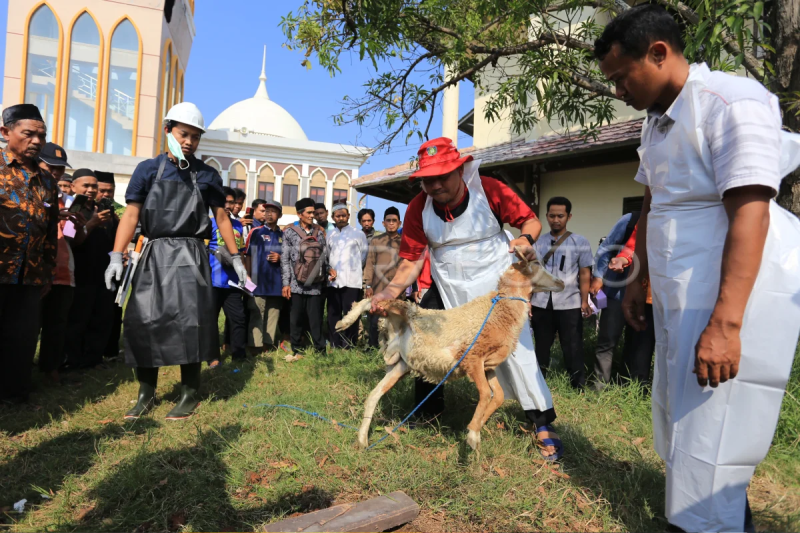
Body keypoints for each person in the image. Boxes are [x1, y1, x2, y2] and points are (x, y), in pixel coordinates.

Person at [595, 6, 800, 531]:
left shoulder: (731, 102)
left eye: (621, 77)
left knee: (717, 418)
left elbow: (750, 210)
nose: (619, 91)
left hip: (724, 293)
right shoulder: (658, 122)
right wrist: (639, 278)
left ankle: (705, 523)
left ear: (659, 52)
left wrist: (727, 324)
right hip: (678, 291)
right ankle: (711, 515)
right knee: (682, 411)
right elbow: (652, 200)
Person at [370, 137, 562, 460]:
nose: (435, 186)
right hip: (450, 288)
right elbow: (412, 259)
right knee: (426, 337)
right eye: (428, 180)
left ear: (460, 169)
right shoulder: (418, 207)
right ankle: (428, 412)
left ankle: (542, 422)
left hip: (496, 288)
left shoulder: (489, 190)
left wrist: (526, 239)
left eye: (442, 176)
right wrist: (390, 291)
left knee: (518, 351)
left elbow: (530, 221)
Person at [104, 102, 247, 420]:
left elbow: (221, 216)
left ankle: (189, 393)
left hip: (191, 254)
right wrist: (117, 254)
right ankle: (145, 393)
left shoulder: (208, 174)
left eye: (196, 137)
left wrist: (235, 256)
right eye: (184, 134)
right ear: (168, 130)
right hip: (153, 253)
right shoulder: (147, 169)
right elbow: (131, 214)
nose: (189, 142)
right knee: (143, 320)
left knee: (190, 323)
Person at [0, 104, 59, 403]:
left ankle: (15, 394)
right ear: (5, 132)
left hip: (30, 274)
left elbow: (50, 231)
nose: (37, 141)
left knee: (22, 338)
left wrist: (48, 270)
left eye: (42, 136)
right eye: (29, 134)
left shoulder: (47, 181)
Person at [529, 197, 593, 389]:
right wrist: (528, 300)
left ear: (569, 217)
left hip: (570, 304)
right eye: (551, 216)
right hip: (541, 303)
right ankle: (538, 384)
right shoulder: (538, 244)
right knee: (541, 346)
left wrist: (584, 301)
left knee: (573, 346)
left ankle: (578, 386)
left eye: (560, 216)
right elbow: (531, 274)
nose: (556, 220)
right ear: (546, 216)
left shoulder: (579, 242)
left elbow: (584, 273)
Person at [37, 144, 84, 384]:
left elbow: (73, 239)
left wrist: (84, 224)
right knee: (26, 325)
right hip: (32, 271)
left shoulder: (67, 201)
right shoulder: (29, 193)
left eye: (59, 169)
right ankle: (20, 371)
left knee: (56, 326)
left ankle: (50, 370)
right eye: (51, 167)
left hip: (63, 270)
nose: (55, 173)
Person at [63, 169, 118, 371]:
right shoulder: (72, 209)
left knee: (102, 318)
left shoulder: (104, 209)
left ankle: (93, 359)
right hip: (80, 274)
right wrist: (93, 222)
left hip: (103, 275)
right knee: (78, 319)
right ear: (73, 187)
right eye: (85, 185)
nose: (90, 189)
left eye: (93, 186)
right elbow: (72, 241)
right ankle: (72, 362)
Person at [589, 211, 641, 390]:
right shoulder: (631, 220)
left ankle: (627, 387)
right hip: (616, 294)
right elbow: (606, 247)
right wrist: (598, 276)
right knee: (607, 341)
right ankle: (599, 387)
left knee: (635, 344)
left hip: (644, 298)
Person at [281, 197, 333, 357]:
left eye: (313, 213)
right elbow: (284, 259)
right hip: (296, 284)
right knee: (295, 318)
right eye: (309, 212)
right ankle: (297, 349)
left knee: (316, 318)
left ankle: (320, 349)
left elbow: (325, 255)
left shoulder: (319, 232)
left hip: (316, 283)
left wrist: (329, 270)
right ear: (299, 214)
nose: (312, 215)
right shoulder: (290, 232)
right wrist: (286, 283)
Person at [607, 222, 656, 384]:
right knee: (639, 346)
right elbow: (634, 245)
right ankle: (634, 388)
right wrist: (622, 259)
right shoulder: (652, 214)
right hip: (647, 294)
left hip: (686, 298)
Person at [208, 186, 248, 366]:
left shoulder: (238, 225)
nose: (228, 205)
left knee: (238, 318)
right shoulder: (208, 223)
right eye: (225, 201)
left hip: (233, 282)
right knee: (211, 320)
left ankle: (238, 355)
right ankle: (212, 356)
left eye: (232, 202)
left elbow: (240, 252)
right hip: (211, 280)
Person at [326, 202, 368, 348]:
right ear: (333, 217)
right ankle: (334, 344)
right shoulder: (330, 234)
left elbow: (364, 256)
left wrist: (353, 269)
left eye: (344, 215)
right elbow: (327, 254)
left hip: (351, 281)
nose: (341, 218)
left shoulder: (358, 234)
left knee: (350, 314)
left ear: (349, 216)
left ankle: (349, 345)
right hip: (333, 282)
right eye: (338, 216)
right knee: (333, 313)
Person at [245, 200, 284, 354]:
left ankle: (267, 344)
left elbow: (289, 257)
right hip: (257, 280)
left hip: (276, 281)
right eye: (266, 211)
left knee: (273, 313)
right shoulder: (256, 232)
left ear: (279, 215)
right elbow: (247, 255)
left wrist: (280, 257)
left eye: (273, 211)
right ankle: (255, 345)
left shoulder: (284, 235)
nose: (268, 214)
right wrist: (248, 276)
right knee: (257, 312)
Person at [363, 206, 404, 347]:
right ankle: (373, 349)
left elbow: (408, 267)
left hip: (398, 289)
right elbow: (370, 263)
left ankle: (395, 350)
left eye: (394, 221)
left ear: (400, 223)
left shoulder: (404, 242)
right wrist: (368, 285)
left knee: (396, 321)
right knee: (374, 321)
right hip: (378, 288)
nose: (391, 223)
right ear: (383, 223)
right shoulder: (376, 241)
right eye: (388, 220)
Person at [95, 170, 124, 359]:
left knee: (114, 311)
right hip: (89, 268)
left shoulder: (121, 210)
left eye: (110, 191)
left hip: (114, 268)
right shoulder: (84, 208)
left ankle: (111, 350)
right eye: (102, 190)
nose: (106, 195)